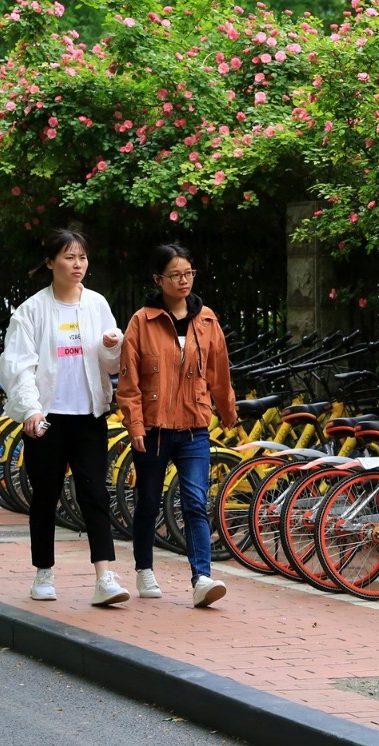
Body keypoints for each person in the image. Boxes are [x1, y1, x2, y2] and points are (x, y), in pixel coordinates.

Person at [0, 229, 129, 607]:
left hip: (89, 416)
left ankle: (105, 577)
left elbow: (111, 365)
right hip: (47, 418)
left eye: (82, 257)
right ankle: (44, 572)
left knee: (95, 493)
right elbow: (18, 366)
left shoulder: (98, 304)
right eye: (69, 257)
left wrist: (111, 347)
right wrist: (30, 410)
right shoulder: (31, 311)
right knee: (45, 495)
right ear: (51, 262)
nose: (77, 264)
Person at [115, 243, 239, 608]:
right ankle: (144, 568)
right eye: (175, 275)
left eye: (189, 273)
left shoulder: (207, 319)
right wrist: (134, 425)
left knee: (196, 503)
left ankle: (202, 577)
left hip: (194, 428)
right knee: (149, 502)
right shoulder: (142, 321)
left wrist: (228, 413)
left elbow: (219, 373)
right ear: (158, 279)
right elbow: (129, 382)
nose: (184, 281)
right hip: (153, 429)